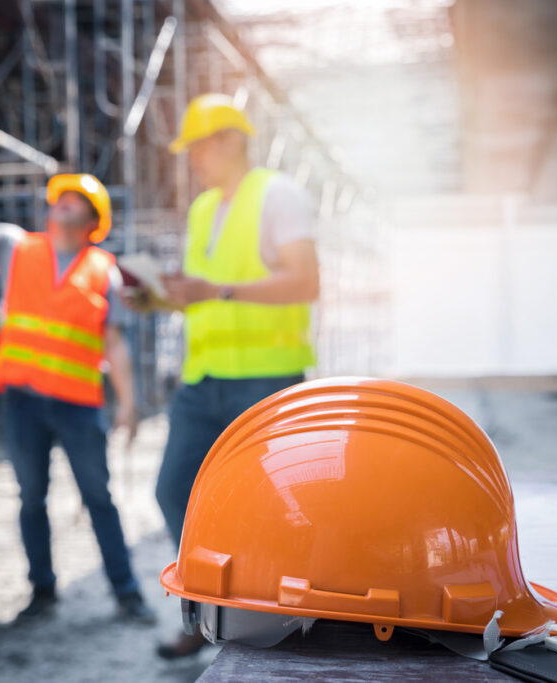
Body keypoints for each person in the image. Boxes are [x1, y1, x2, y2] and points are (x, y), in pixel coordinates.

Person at [132, 94, 320, 658]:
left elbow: (306, 282)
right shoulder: (202, 210)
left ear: (231, 141)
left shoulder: (277, 195)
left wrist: (217, 290)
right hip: (204, 380)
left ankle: (275, 619)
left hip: (265, 382)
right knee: (174, 491)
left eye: (198, 146)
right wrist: (159, 300)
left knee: (270, 508)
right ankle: (204, 613)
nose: (190, 158)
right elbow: (206, 297)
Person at [0, 138, 155, 625]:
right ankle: (43, 592)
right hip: (24, 402)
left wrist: (128, 403)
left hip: (78, 406)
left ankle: (127, 593)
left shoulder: (107, 272)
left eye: (73, 198)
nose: (61, 203)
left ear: (91, 218)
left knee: (98, 498)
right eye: (60, 197)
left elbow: (114, 342)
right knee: (30, 498)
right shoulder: (17, 248)